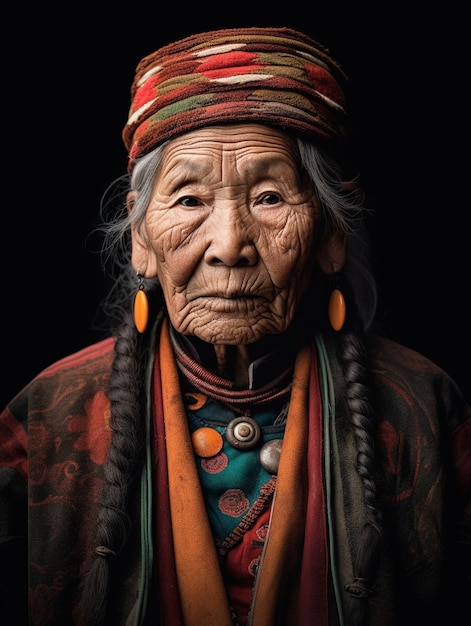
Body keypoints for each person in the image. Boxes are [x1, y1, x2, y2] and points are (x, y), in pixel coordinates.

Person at [0, 26, 469, 626]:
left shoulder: (426, 406)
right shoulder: (47, 416)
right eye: (189, 200)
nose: (229, 245)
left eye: (270, 197)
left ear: (330, 235)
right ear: (142, 239)